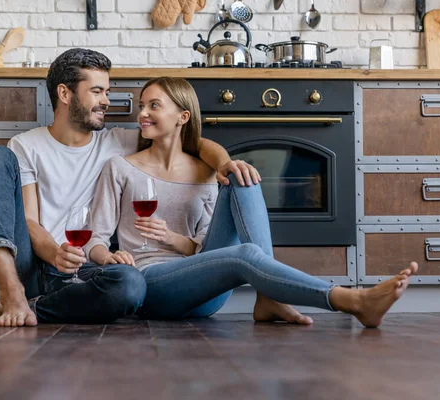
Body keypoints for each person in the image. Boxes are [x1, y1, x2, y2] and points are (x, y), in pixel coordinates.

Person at [0, 49, 260, 327]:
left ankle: (9, 309)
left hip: (86, 275)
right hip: (29, 270)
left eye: (106, 91)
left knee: (131, 284)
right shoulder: (27, 145)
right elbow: (28, 221)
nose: (106, 101)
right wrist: (55, 254)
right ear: (65, 94)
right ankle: (9, 295)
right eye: (97, 91)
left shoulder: (118, 142)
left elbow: (191, 141)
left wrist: (223, 164)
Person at [86, 76, 419, 328]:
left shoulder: (207, 173)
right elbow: (96, 240)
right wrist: (111, 257)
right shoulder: (120, 168)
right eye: (142, 105)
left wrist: (172, 238)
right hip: (152, 284)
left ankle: (269, 296)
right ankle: (351, 300)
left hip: (205, 292)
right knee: (244, 254)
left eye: (153, 106)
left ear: (182, 116)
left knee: (241, 175)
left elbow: (203, 248)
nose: (142, 113)